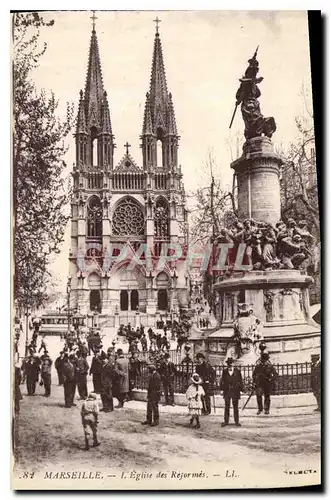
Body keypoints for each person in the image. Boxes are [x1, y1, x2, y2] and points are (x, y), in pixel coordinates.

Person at [220, 358, 243, 427]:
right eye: (229, 364)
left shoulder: (237, 371)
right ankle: (226, 421)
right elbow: (222, 381)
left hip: (235, 391)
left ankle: (237, 422)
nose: (230, 365)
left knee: (235, 407)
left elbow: (240, 381)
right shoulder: (224, 371)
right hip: (227, 391)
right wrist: (222, 390)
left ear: (233, 364)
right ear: (227, 364)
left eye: (231, 363)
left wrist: (241, 390)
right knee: (227, 407)